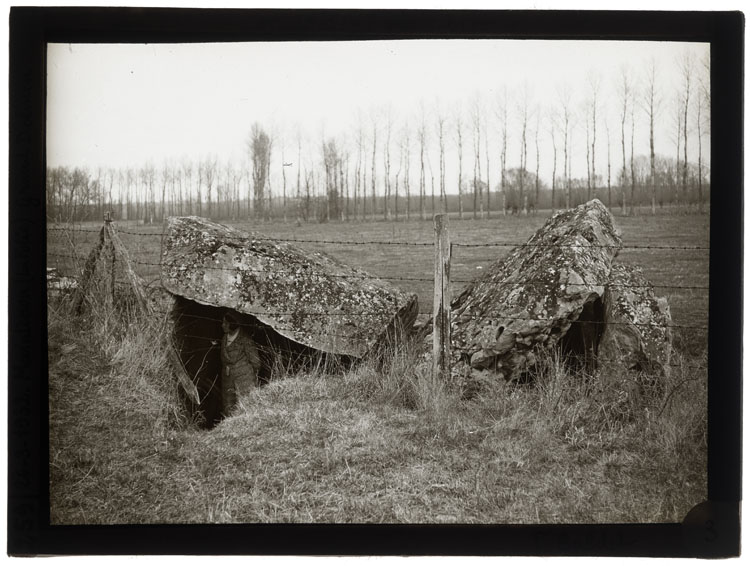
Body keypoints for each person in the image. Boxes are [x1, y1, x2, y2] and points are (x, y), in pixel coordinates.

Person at [220, 311, 261, 417]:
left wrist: (247, 375)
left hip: (244, 380)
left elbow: (256, 362)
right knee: (229, 407)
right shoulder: (224, 338)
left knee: (245, 405)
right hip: (228, 379)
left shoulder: (245, 340)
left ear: (232, 324)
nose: (222, 325)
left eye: (225, 323)